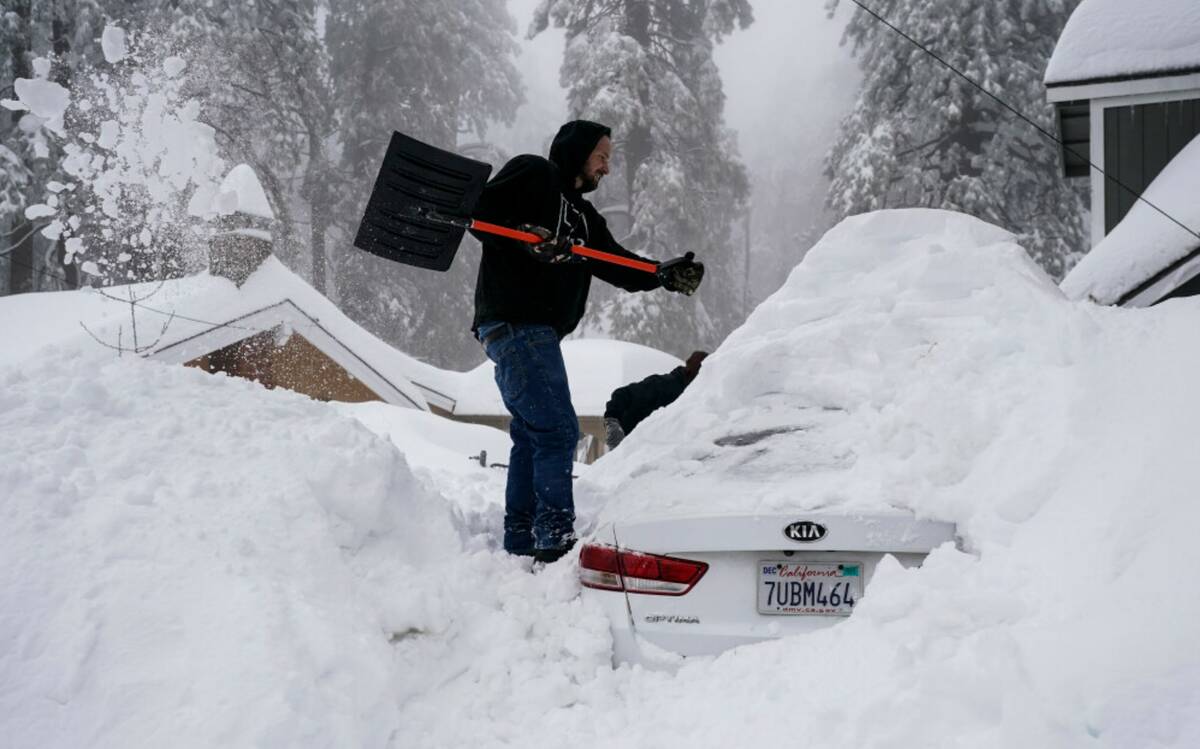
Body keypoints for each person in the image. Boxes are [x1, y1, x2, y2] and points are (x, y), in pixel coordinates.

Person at [470, 119, 704, 563]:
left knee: (533, 434)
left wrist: (661, 273)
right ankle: (553, 535)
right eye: (602, 157)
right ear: (578, 152)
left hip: (533, 334)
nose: (607, 168)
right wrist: (528, 239)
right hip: (517, 323)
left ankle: (521, 534)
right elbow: (482, 214)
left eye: (610, 159)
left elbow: (616, 264)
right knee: (559, 431)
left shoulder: (583, 218)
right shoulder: (533, 173)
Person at [604, 351, 708, 450]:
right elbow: (622, 394)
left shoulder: (698, 398)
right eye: (701, 372)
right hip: (631, 447)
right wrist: (612, 421)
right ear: (692, 370)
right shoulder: (662, 385)